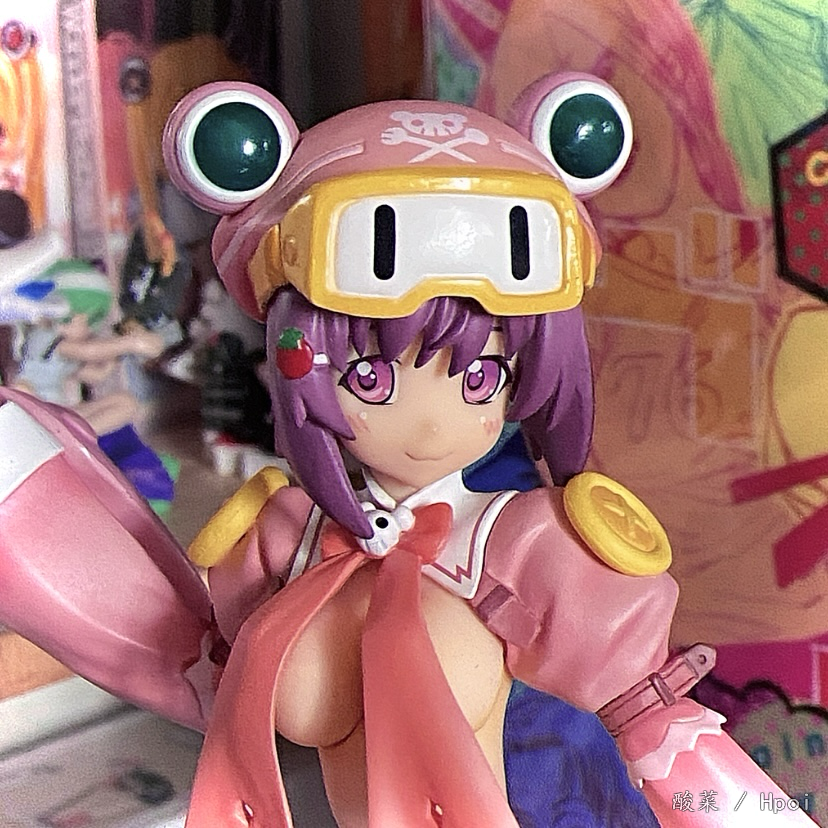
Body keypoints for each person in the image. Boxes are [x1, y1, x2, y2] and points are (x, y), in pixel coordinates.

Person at [0, 77, 814, 827]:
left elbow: (664, 736)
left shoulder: (521, 546)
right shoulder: (285, 539)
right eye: (371, 376)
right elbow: (192, 670)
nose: (430, 423)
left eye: (481, 376)